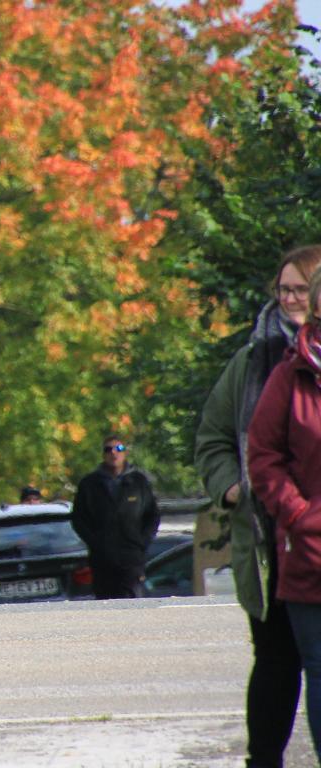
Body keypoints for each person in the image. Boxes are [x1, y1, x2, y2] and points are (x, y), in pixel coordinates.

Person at [194, 245, 321, 768]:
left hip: (312, 535)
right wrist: (232, 488)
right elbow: (215, 439)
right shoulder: (255, 362)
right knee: (276, 660)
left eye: (301, 289)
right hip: (269, 541)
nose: (290, 299)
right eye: (283, 289)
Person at [247, 265, 321, 764]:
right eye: (285, 290)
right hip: (310, 549)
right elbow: (262, 454)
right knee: (312, 667)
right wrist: (297, 515)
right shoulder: (287, 373)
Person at [70, 435, 160, 599]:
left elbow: (152, 515)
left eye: (118, 449)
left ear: (124, 453)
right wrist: (96, 543)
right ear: (103, 455)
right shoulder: (90, 484)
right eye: (108, 449)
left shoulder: (138, 482)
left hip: (131, 557)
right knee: (106, 604)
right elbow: (79, 519)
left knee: (132, 602)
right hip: (102, 559)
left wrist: (142, 542)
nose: (113, 453)